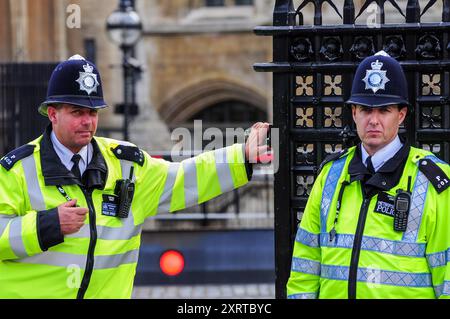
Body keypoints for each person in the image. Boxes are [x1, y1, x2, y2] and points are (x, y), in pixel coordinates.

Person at [0, 55, 270, 299]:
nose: (87, 122)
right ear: (53, 114)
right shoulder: (16, 171)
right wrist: (48, 224)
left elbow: (182, 179)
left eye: (93, 112)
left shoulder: (126, 163)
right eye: (77, 112)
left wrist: (242, 156)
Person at [286, 51, 450, 299]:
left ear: (401, 115)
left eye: (384, 110)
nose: (373, 120)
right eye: (365, 109)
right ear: (354, 114)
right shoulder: (331, 174)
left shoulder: (433, 180)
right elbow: (305, 262)